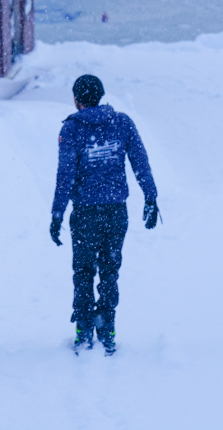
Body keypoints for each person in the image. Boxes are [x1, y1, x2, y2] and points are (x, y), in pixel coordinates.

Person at [50, 74, 159, 355]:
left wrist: (57, 213)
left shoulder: (72, 129)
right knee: (110, 269)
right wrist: (150, 196)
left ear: (76, 99)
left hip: (85, 212)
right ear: (101, 95)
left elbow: (65, 175)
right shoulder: (122, 122)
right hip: (115, 212)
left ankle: (84, 327)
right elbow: (140, 161)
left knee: (83, 270)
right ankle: (107, 325)